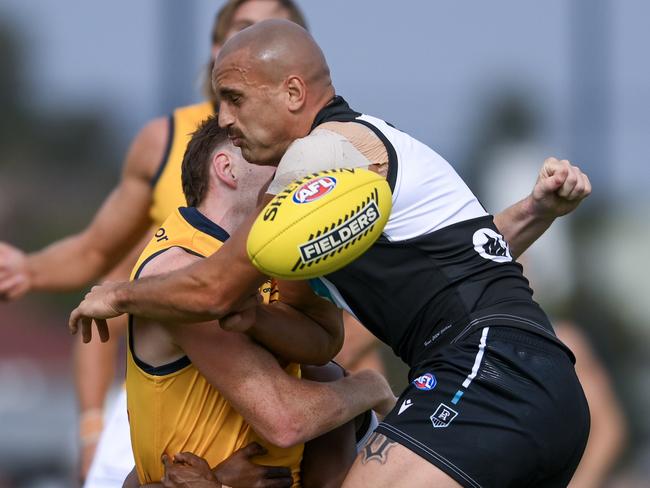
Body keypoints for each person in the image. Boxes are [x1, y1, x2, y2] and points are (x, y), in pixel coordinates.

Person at [70, 20, 593, 487]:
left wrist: (120, 293)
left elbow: (212, 288)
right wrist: (253, 316)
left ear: (293, 92)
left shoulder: (321, 158)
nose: (224, 117)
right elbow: (321, 337)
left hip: (484, 372)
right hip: (537, 385)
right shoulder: (362, 158)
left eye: (234, 98)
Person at [0, 1, 319, 485]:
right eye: (243, 31)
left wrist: (350, 381)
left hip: (275, 397)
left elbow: (334, 319)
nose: (256, 43)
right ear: (218, 51)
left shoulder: (315, 155)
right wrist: (29, 268)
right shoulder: (169, 141)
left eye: (274, 33)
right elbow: (99, 262)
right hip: (170, 389)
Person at [123, 115, 393, 486]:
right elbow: (286, 421)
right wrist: (367, 387)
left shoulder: (265, 259)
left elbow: (321, 354)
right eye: (267, 158)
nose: (289, 168)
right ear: (226, 168)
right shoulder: (182, 270)